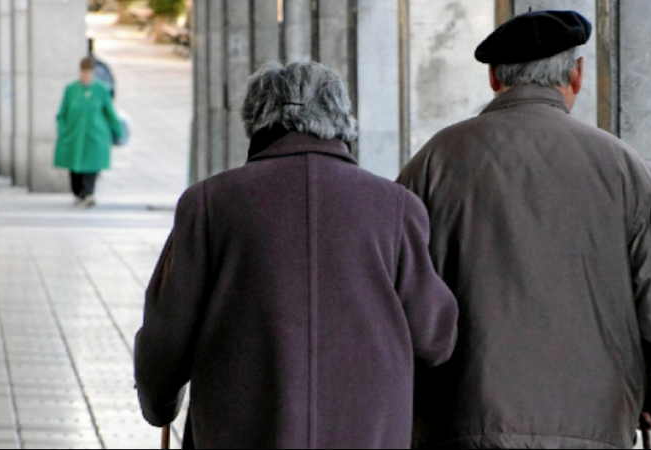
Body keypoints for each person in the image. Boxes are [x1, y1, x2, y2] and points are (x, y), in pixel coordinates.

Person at [397, 10, 651, 450]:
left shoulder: (434, 162)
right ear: (578, 75)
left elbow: (392, 293)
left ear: (493, 77)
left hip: (461, 426)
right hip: (595, 426)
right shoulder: (623, 169)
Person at [135, 62, 459, 449]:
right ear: (343, 120)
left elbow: (167, 336)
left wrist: (160, 405)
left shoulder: (210, 203)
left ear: (255, 122)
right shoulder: (396, 207)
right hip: (366, 432)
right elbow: (434, 340)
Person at [54, 57, 122, 209]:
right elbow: (62, 113)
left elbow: (110, 113)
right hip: (74, 135)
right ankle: (79, 194)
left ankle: (89, 194)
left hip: (95, 136)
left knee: (91, 166)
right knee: (75, 167)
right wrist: (63, 131)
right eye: (83, 73)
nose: (86, 76)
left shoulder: (101, 89)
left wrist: (118, 131)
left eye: (89, 73)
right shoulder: (71, 89)